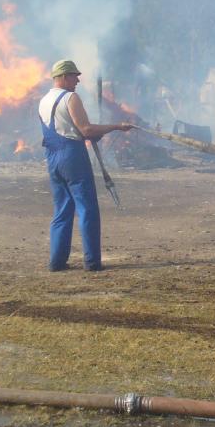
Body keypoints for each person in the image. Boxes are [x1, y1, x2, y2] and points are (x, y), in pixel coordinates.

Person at [38, 59, 132, 271]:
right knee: (87, 208)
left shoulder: (43, 100)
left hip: (53, 157)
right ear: (62, 77)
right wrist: (117, 126)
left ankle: (57, 262)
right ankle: (92, 262)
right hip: (72, 156)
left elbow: (66, 128)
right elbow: (86, 130)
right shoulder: (70, 98)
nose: (78, 80)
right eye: (73, 75)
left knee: (62, 210)